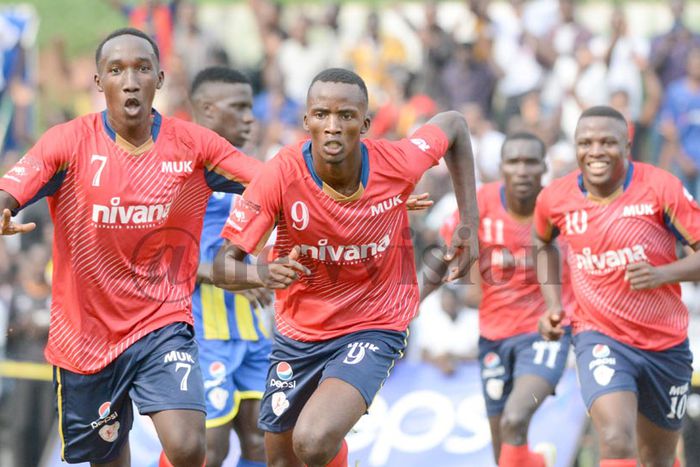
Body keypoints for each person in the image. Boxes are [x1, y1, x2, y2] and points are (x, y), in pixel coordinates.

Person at [0, 28, 262, 467]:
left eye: (142, 69)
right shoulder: (68, 142)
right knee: (108, 458)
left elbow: (272, 180)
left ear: (159, 78)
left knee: (189, 445)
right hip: (85, 335)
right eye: (116, 70)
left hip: (162, 322)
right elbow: (10, 191)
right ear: (98, 81)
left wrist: (351, 191)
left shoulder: (193, 145)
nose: (130, 81)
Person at [211, 68, 479, 467]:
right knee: (281, 459)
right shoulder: (280, 174)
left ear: (365, 124)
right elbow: (222, 267)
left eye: (346, 116)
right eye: (322, 114)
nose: (333, 126)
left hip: (375, 323)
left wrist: (469, 223)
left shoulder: (398, 162)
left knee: (313, 440)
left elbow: (454, 124)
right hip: (299, 331)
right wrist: (261, 274)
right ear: (307, 120)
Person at [534, 105, 700, 467]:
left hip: (665, 345)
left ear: (627, 146)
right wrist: (553, 305)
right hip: (599, 336)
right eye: (586, 143)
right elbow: (542, 241)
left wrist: (662, 274)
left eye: (607, 142)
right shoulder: (555, 198)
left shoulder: (660, 188)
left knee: (657, 459)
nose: (595, 151)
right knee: (614, 438)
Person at [433, 132, 571, 467]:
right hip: (493, 336)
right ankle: (539, 461)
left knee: (515, 418)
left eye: (530, 162)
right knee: (504, 454)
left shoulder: (561, 208)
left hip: (544, 334)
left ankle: (538, 458)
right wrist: (412, 301)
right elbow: (450, 248)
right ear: (501, 167)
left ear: (544, 168)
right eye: (514, 162)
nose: (522, 170)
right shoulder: (482, 202)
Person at [188, 66, 271, 467]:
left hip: (251, 328)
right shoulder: (183, 174)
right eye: (238, 107)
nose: (250, 118)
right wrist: (230, 275)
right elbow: (157, 258)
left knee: (262, 441)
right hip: (203, 332)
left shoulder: (251, 173)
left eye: (250, 107)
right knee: (209, 449)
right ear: (207, 110)